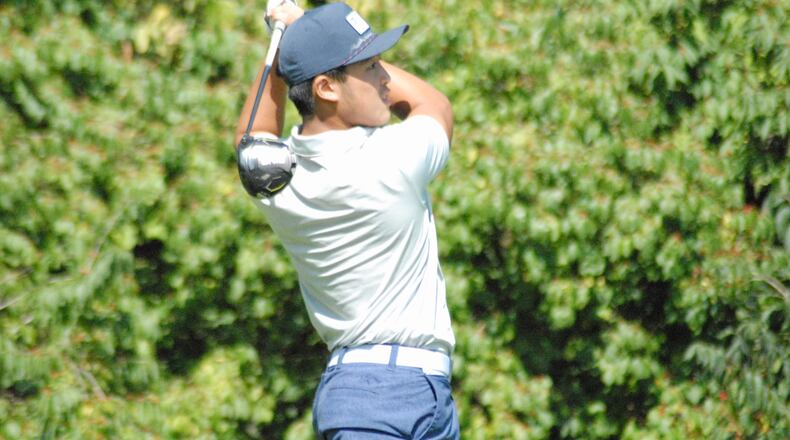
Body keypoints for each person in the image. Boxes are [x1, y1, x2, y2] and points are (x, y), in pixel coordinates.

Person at [235, 2, 458, 438]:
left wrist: (286, 47)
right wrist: (300, 38)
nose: (385, 79)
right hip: (384, 397)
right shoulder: (394, 156)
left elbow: (253, 140)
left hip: (377, 396)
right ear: (326, 88)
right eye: (372, 66)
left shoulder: (280, 178)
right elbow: (433, 104)